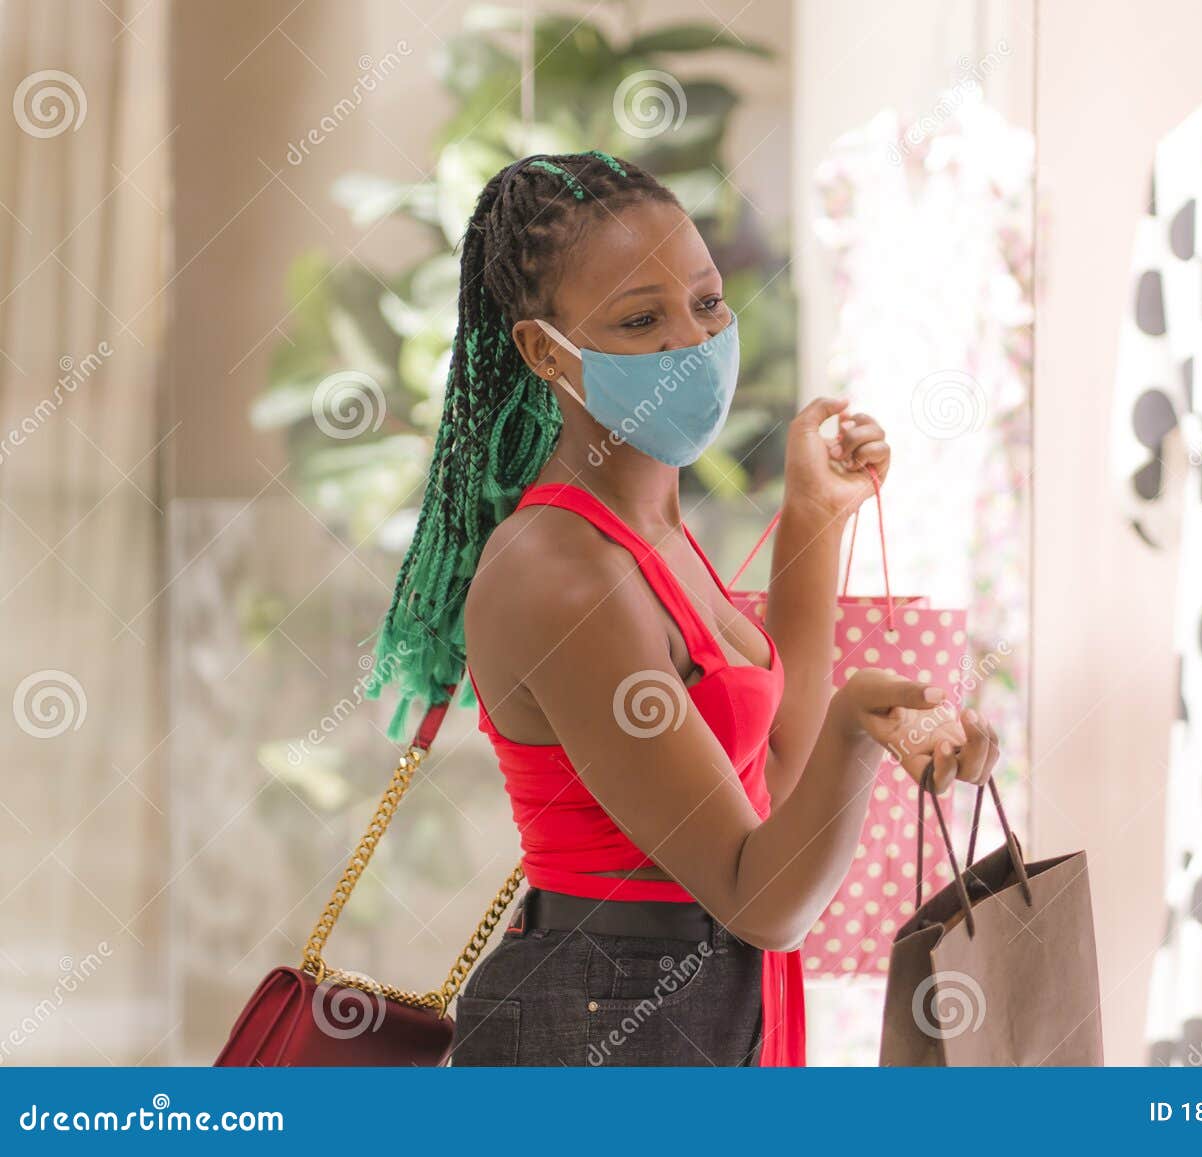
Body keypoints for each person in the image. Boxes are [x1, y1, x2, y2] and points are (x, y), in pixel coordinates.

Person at [365, 151, 1001, 1066]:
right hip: (602, 1027)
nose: (692, 344)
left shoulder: (650, 532)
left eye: (706, 303)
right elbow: (761, 896)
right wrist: (862, 724)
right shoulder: (564, 574)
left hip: (694, 1009)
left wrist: (814, 515)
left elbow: (776, 774)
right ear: (547, 351)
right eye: (640, 320)